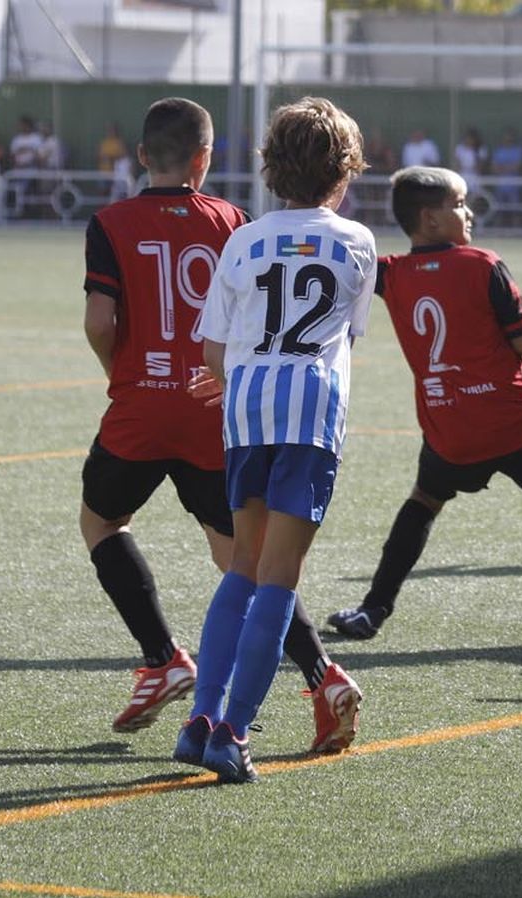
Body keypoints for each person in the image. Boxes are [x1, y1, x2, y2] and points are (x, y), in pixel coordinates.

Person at [77, 97, 360, 749]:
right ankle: (323, 678)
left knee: (101, 522)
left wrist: (117, 371)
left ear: (143, 156)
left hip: (141, 406)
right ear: (205, 160)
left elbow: (100, 321)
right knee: (247, 561)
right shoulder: (233, 221)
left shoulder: (111, 221)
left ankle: (163, 659)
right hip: (219, 406)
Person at [325, 167, 522, 642]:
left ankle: (373, 610)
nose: (468, 211)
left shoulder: (389, 273)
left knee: (424, 499)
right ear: (430, 219)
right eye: (458, 204)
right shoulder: (482, 263)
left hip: (450, 429)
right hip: (518, 421)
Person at [175, 97, 376, 783]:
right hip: (310, 412)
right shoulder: (357, 241)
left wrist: (235, 376)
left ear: (270, 169)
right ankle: (233, 731)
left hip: (247, 409)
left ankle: (202, 717)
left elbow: (212, 352)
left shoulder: (243, 239)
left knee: (243, 568)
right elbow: (344, 336)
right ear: (343, 172)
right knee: (279, 580)